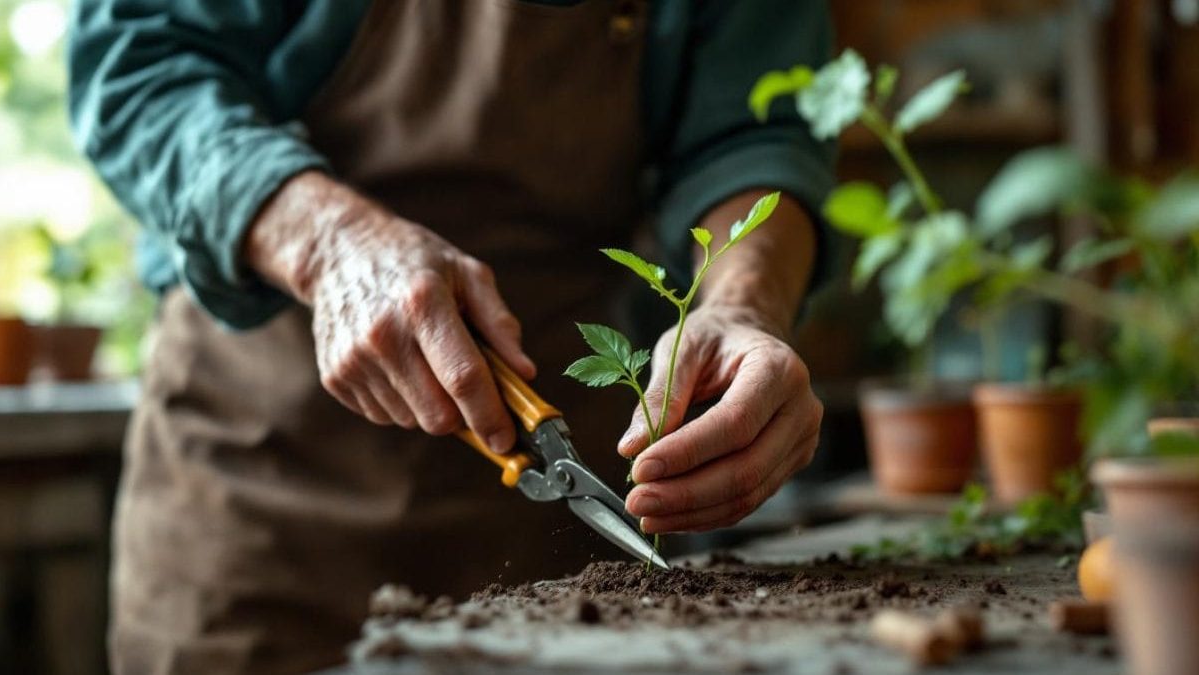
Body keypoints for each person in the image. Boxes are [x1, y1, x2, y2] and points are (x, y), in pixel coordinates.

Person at [69, 0, 832, 672]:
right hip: (259, 500)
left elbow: (753, 137)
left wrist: (741, 307)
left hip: (553, 555)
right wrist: (327, 242)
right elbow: (138, 65)